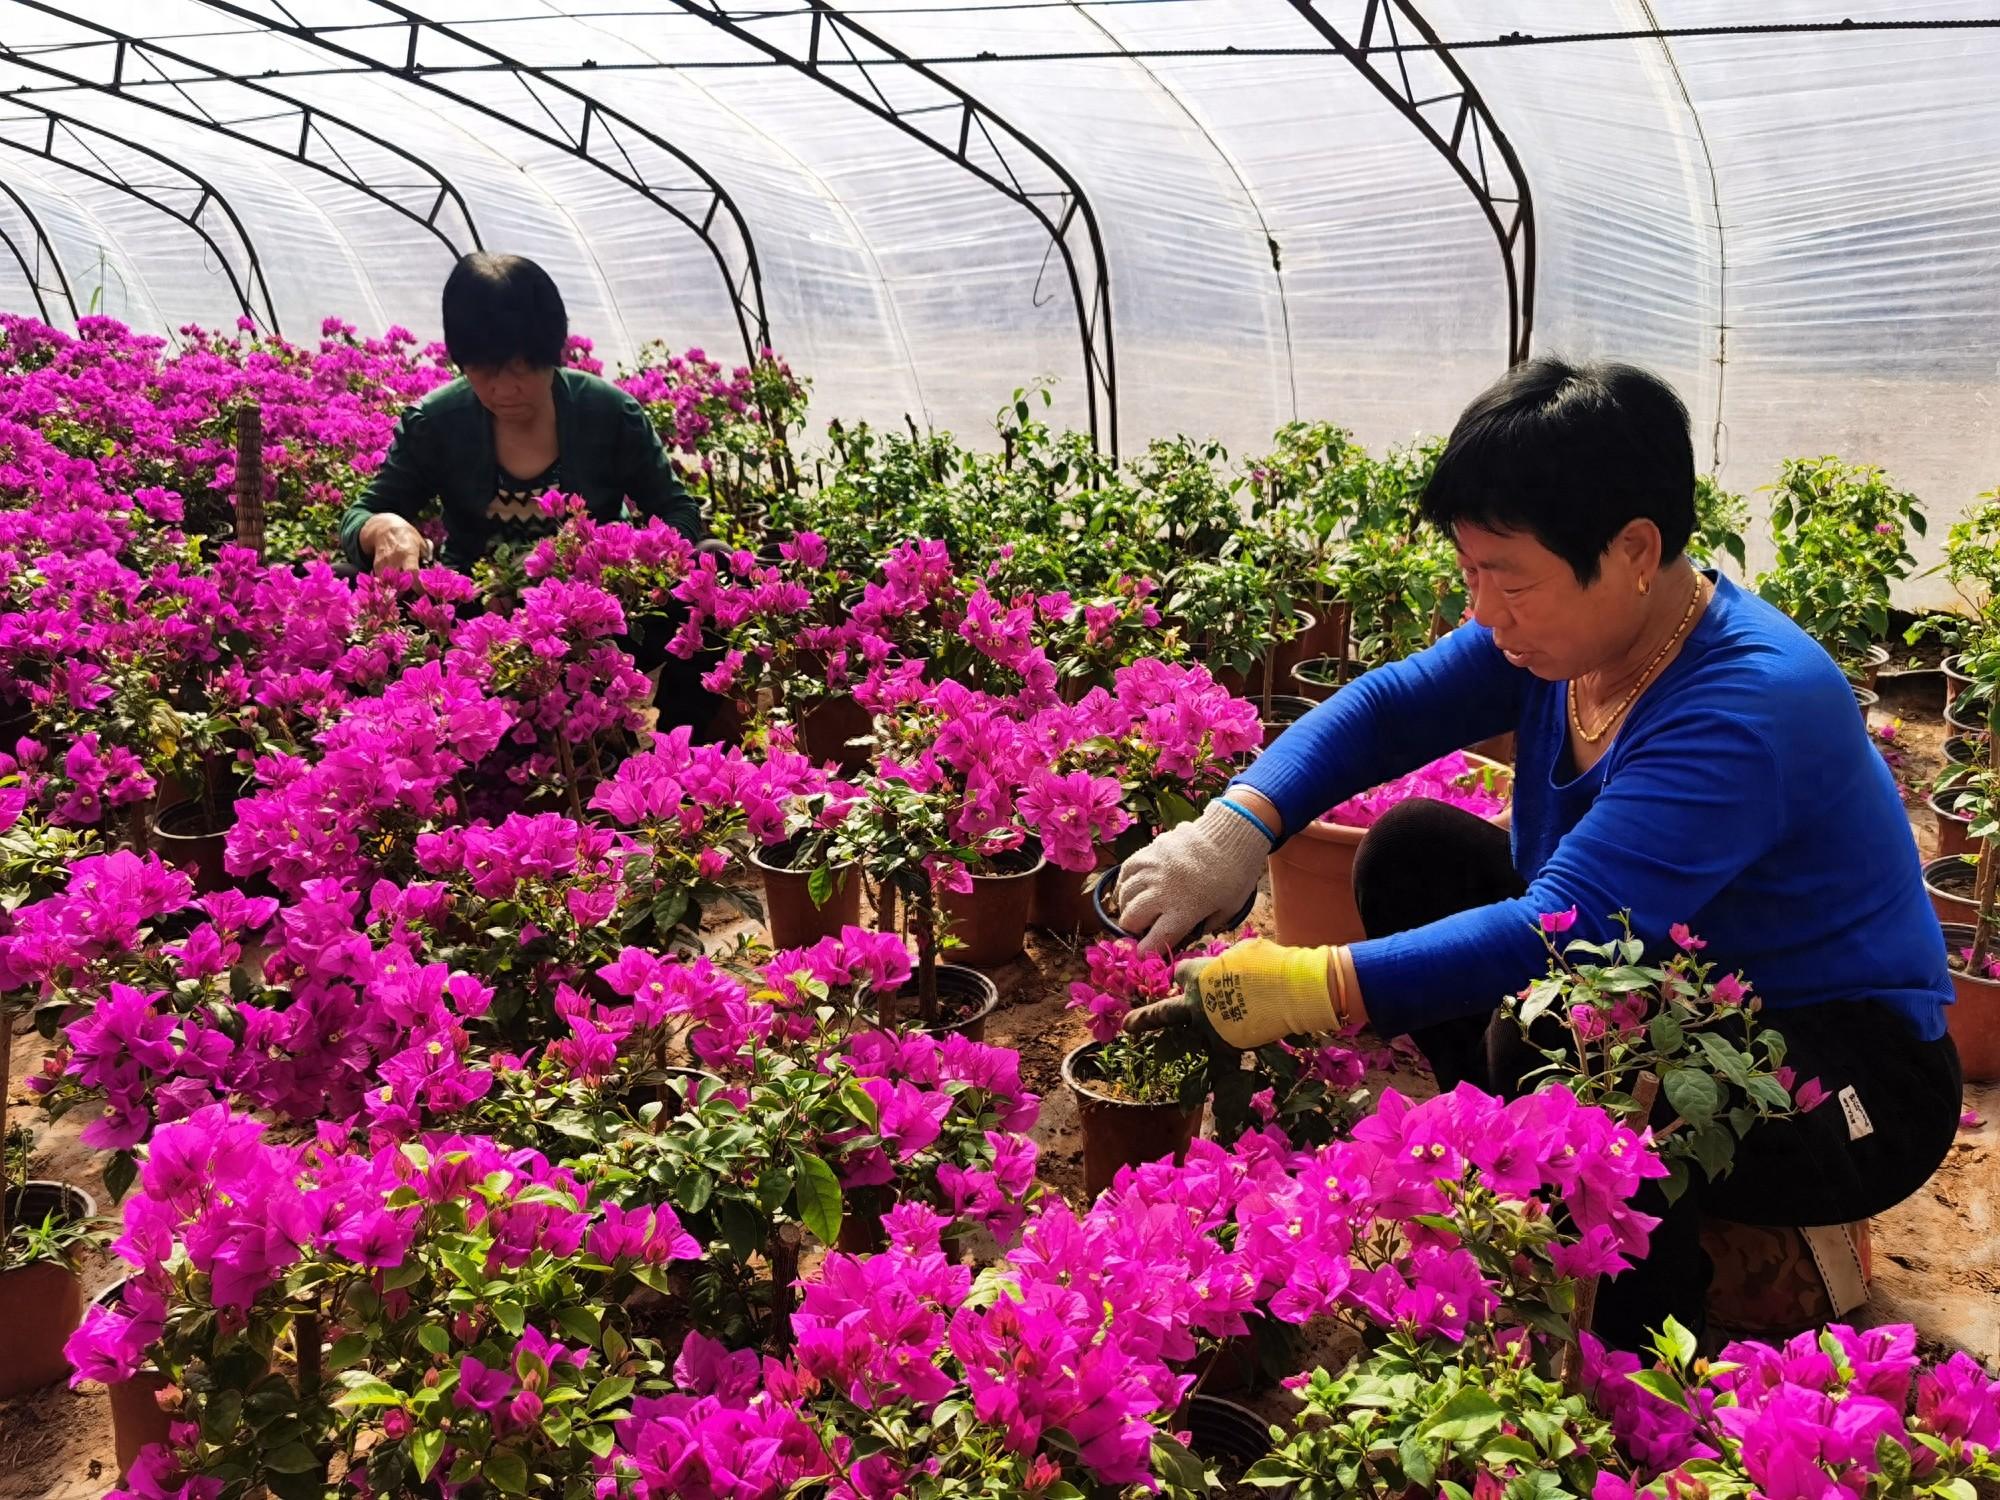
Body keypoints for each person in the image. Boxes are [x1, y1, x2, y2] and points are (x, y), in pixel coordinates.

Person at [1113, 357, 1961, 1348]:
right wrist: (1234, 829)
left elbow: (1555, 937)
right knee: (1412, 852)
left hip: (1841, 1073)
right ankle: (1538, 1171)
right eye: (1469, 573)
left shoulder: (1744, 704)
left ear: (1633, 550)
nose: (1481, 612)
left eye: (1505, 579)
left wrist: (1289, 988)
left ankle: (1642, 1325)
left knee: (1556, 1029)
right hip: (1674, 988)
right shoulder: (1570, 637)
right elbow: (1387, 706)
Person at [338, 251, 718, 733]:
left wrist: (627, 568)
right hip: (475, 617)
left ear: (551, 352)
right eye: (483, 370)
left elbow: (677, 512)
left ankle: (688, 751)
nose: (503, 389)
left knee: (715, 567)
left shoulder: (608, 415)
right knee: (347, 582)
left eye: (520, 367)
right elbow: (365, 511)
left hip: (598, 622)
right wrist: (384, 528)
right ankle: (389, 750)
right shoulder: (435, 423)